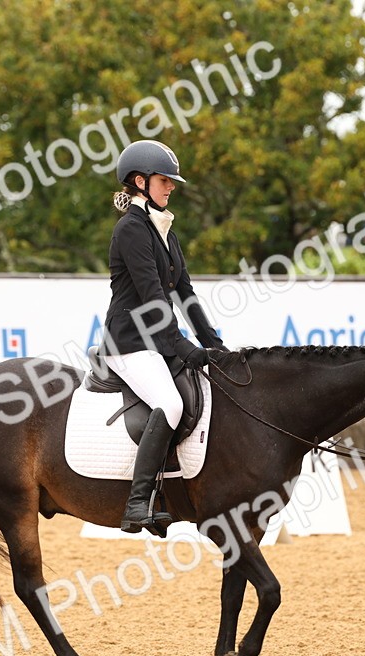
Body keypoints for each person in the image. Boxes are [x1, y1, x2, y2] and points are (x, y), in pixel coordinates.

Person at [101, 139, 225, 533]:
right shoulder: (131, 230)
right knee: (170, 405)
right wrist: (182, 346)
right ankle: (138, 503)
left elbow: (184, 294)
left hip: (156, 342)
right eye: (164, 180)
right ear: (140, 182)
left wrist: (214, 344)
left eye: (171, 181)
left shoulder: (165, 231)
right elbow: (154, 299)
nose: (171, 187)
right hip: (129, 343)